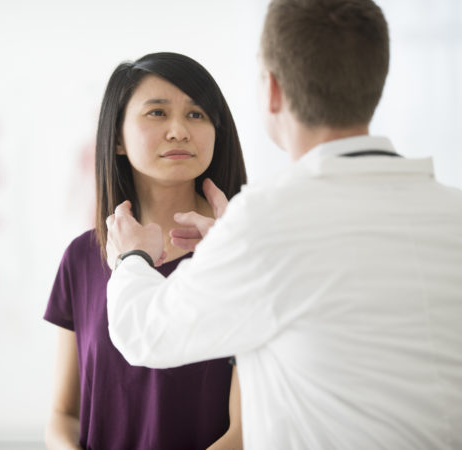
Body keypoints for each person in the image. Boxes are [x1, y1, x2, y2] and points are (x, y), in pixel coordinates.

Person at [105, 1, 462, 449]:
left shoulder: (263, 223)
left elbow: (145, 334)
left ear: (271, 90)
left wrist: (132, 256)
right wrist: (233, 249)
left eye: (197, 113)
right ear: (376, 82)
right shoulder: (455, 215)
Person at [44, 52, 248, 450]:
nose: (178, 131)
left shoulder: (241, 253)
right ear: (117, 138)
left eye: (197, 115)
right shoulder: (81, 258)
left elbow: (244, 432)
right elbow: (63, 415)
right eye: (157, 113)